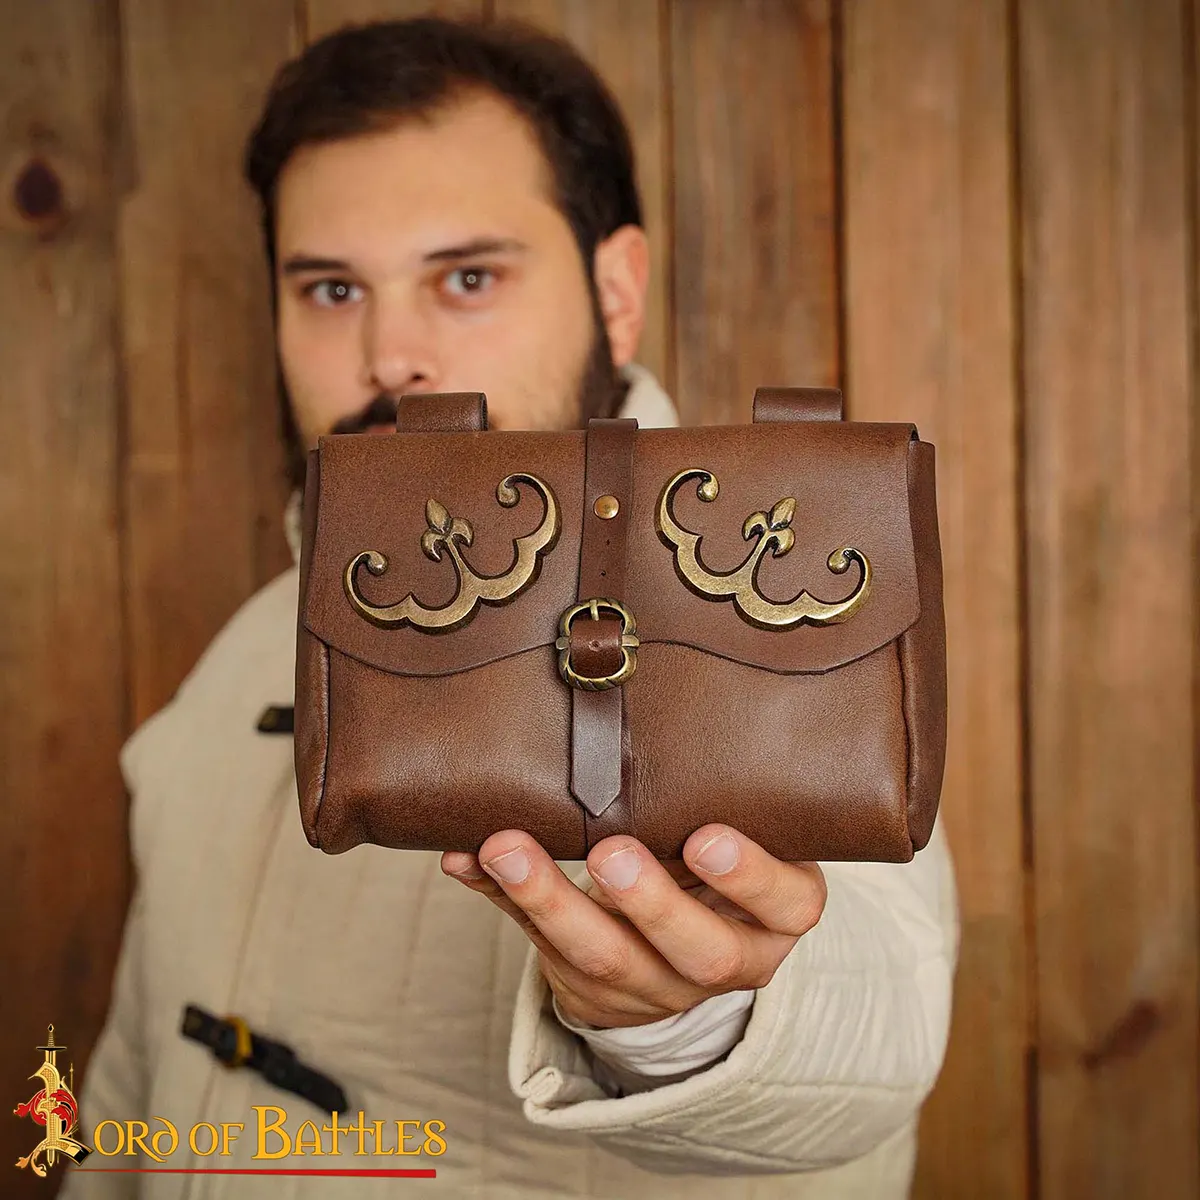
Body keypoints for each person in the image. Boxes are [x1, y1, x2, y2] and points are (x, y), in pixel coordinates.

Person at [65, 16, 958, 1199]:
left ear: (615, 291)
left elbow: (875, 1016)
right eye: (330, 288)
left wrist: (686, 1025)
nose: (389, 355)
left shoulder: (785, 635)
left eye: (468, 277)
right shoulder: (237, 657)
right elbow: (129, 1090)